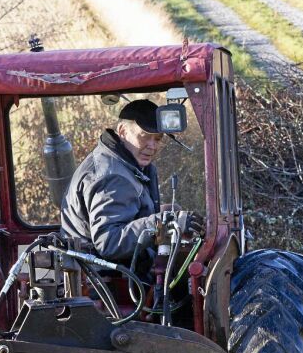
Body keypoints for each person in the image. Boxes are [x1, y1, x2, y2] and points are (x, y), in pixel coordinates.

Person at [61, 99, 202, 264]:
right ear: (122, 131)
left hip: (125, 272)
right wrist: (165, 223)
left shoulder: (127, 165)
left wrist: (169, 215)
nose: (152, 146)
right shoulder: (112, 176)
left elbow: (128, 217)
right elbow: (109, 243)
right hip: (106, 282)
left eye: (157, 139)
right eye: (145, 137)